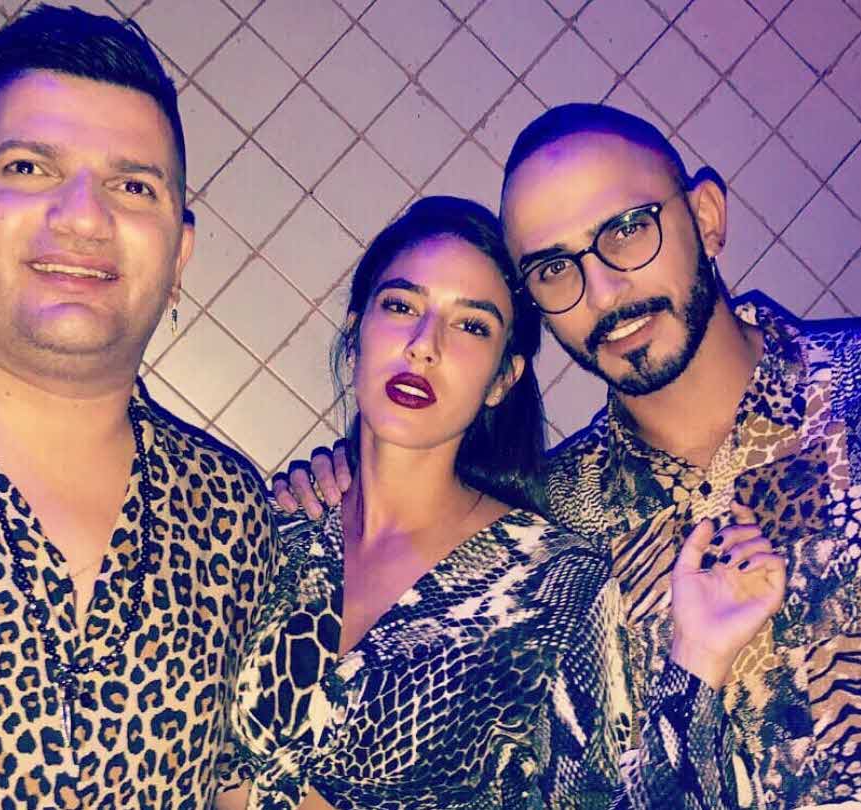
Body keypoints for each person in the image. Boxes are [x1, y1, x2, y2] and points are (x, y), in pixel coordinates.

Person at [275, 104, 861, 808]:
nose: (603, 292)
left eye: (627, 229)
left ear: (706, 217)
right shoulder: (540, 543)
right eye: (554, 267)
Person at [0, 6, 275, 808]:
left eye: (133, 186)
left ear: (178, 257)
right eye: (29, 167)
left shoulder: (233, 514)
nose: (81, 216)